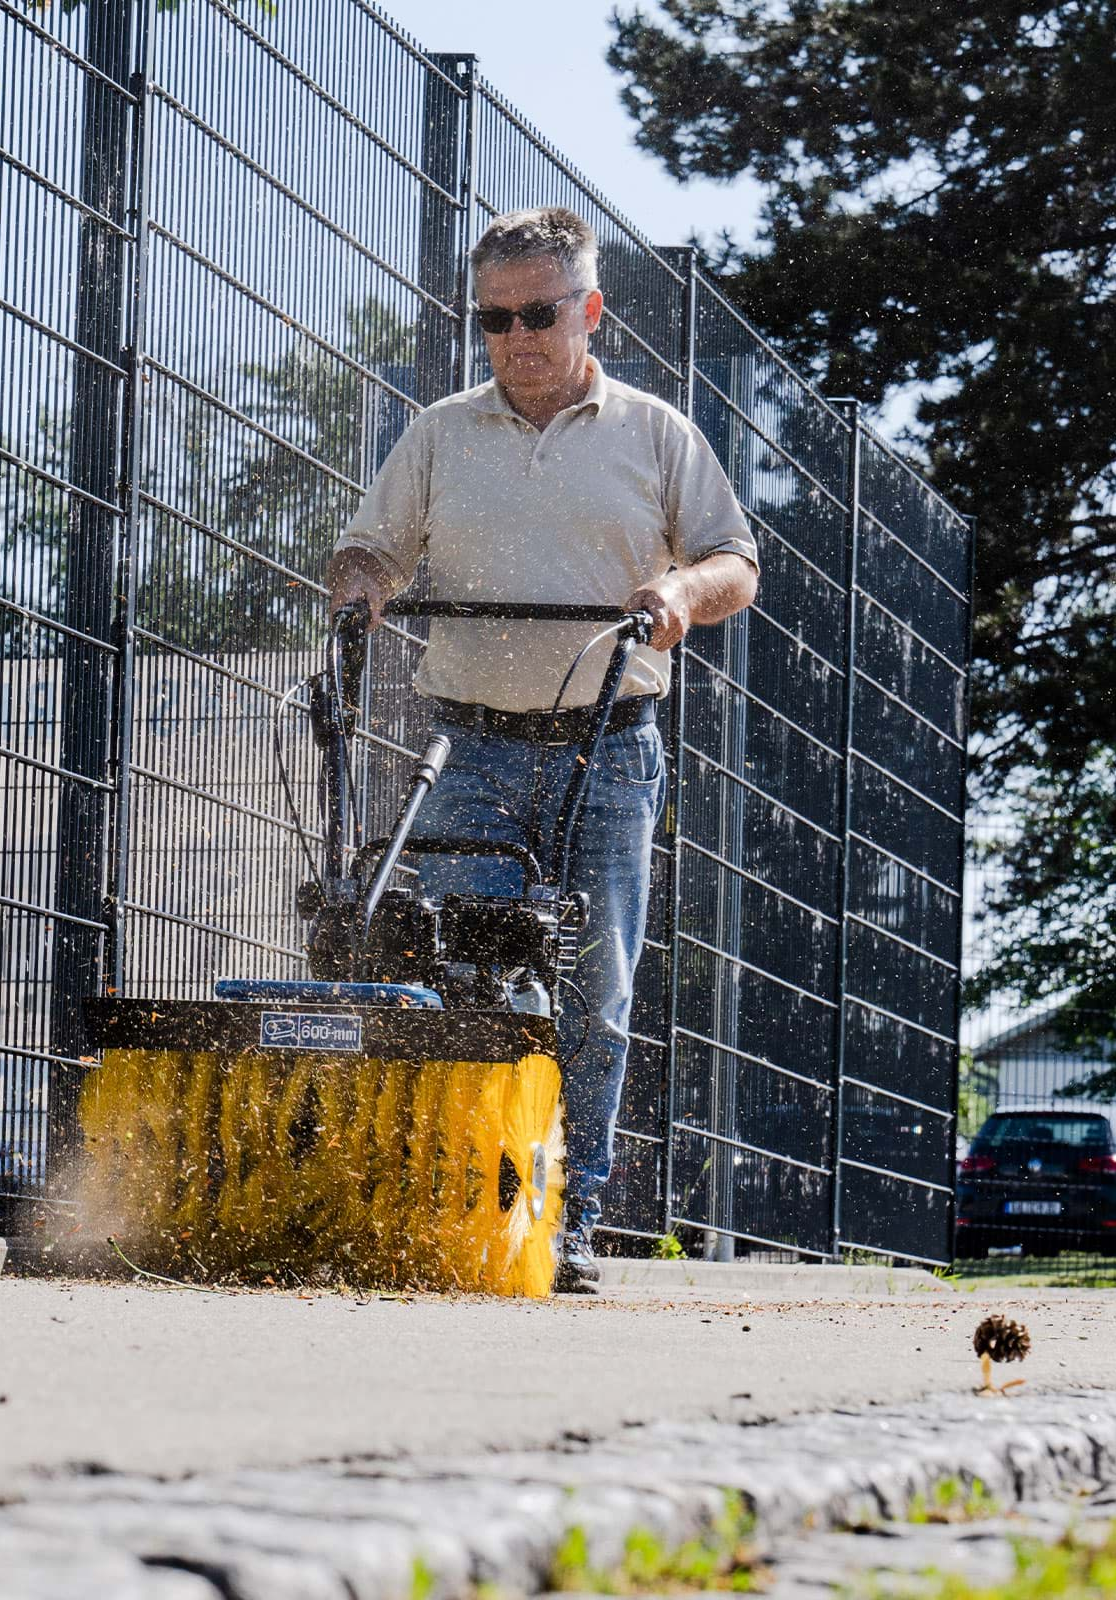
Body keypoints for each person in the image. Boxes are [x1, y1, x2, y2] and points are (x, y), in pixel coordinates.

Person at [327, 206, 758, 1291]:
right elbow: (370, 545)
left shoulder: (655, 433)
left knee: (594, 993)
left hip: (608, 751)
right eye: (494, 317)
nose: (515, 336)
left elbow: (733, 560)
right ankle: (461, 1195)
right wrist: (363, 590)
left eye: (538, 313)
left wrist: (675, 593)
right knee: (459, 969)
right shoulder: (439, 432)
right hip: (468, 747)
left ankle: (571, 1211)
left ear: (590, 310)